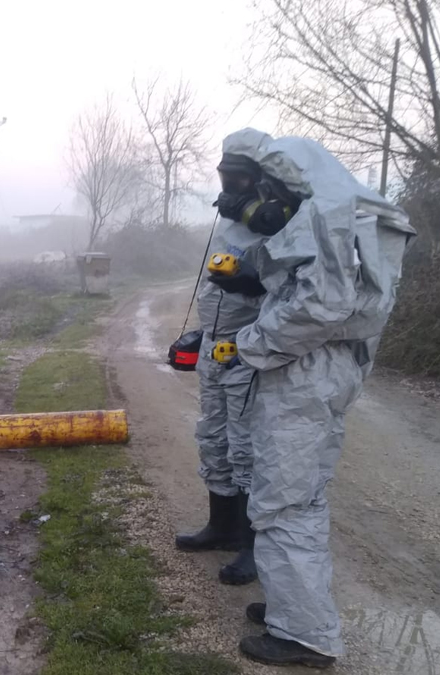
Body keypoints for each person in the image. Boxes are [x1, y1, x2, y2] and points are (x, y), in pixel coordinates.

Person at [225, 137, 415, 668]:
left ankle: (304, 634)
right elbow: (305, 278)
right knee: (299, 494)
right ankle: (295, 606)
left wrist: (249, 346)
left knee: (282, 501)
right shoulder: (344, 210)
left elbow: (322, 305)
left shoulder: (327, 215)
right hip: (327, 370)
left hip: (305, 373)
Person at [174, 128, 273, 587]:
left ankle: (254, 547)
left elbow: (289, 293)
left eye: (238, 178)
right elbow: (216, 283)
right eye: (223, 176)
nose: (227, 186)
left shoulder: (280, 224)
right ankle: (223, 525)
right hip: (216, 350)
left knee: (245, 446)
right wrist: (199, 333)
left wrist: (254, 283)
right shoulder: (228, 225)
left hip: (248, 355)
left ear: (259, 180)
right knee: (211, 437)